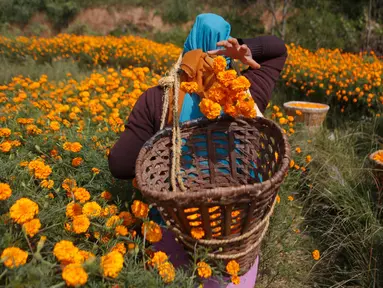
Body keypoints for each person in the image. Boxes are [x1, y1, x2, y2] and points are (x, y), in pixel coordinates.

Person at [109, 13, 287, 287]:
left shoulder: (159, 99)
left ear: (188, 42)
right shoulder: (245, 93)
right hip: (234, 241)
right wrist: (244, 48)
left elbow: (119, 166)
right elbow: (278, 49)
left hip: (172, 236)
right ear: (224, 46)